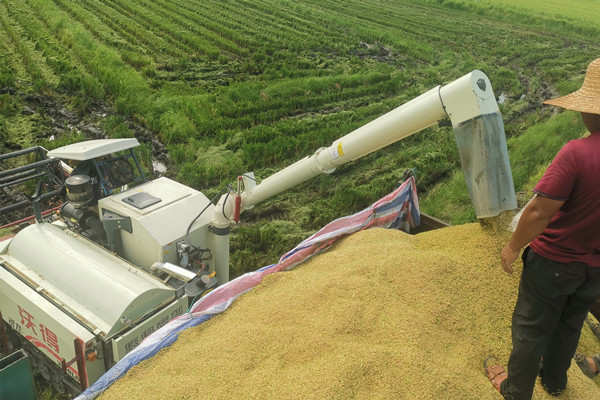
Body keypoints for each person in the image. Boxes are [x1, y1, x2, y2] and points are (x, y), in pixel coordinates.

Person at [485, 56, 600, 399]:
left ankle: (515, 390)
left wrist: (512, 246)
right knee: (569, 325)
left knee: (531, 328)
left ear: (592, 110)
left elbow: (538, 213)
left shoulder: (577, 154)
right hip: (593, 270)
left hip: (553, 263)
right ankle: (554, 381)